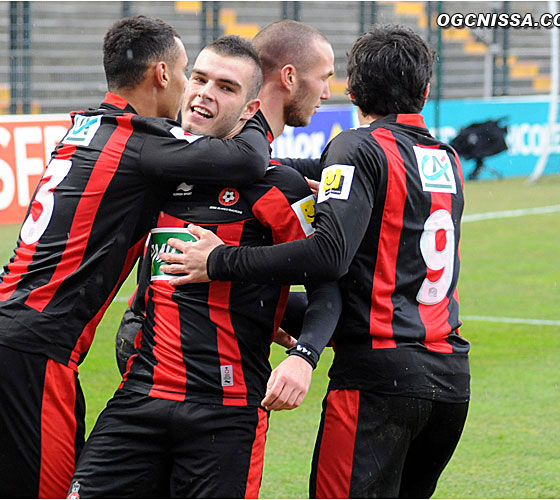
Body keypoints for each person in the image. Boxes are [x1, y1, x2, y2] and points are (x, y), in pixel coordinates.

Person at [0, 16, 272, 499]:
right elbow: (245, 161)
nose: (190, 89)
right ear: (162, 75)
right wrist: (259, 117)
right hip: (34, 352)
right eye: (189, 74)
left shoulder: (87, 126)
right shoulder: (146, 145)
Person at [161, 24, 470, 499]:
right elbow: (320, 181)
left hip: (378, 380)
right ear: (424, 91)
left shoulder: (358, 147)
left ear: (354, 90)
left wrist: (223, 260)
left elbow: (328, 254)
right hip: (448, 381)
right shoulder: (446, 159)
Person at [69, 27, 338, 499]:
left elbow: (327, 281)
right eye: (199, 78)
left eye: (226, 87)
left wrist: (303, 357)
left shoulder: (278, 188)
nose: (204, 94)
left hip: (226, 411)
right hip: (140, 397)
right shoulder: (154, 168)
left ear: (252, 108)